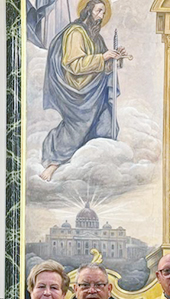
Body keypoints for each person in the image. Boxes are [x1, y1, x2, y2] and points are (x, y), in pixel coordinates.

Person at [39, 0, 131, 182]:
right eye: (99, 11)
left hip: (95, 89)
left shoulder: (96, 37)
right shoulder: (75, 33)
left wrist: (115, 58)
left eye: (103, 13)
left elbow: (104, 67)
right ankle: (53, 165)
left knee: (106, 121)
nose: (101, 16)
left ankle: (94, 169)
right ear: (88, 11)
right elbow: (74, 65)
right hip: (77, 90)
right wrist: (103, 57)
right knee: (79, 126)